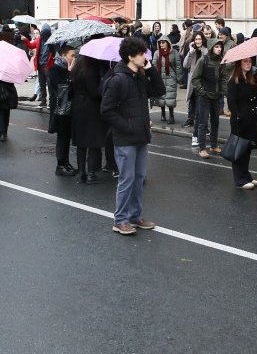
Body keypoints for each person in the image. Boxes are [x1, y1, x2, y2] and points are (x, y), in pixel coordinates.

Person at [101, 36, 157, 236]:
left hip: (141, 136)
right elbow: (106, 110)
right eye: (141, 54)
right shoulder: (118, 79)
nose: (145, 57)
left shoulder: (139, 76)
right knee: (127, 179)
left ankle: (135, 216)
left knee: (139, 177)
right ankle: (120, 219)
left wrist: (151, 70)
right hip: (125, 138)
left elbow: (158, 90)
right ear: (131, 56)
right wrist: (127, 126)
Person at [226, 58, 257, 190]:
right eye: (245, 62)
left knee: (246, 149)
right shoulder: (234, 80)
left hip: (250, 118)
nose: (248, 64)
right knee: (238, 149)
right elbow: (231, 100)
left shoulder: (249, 78)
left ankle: (246, 175)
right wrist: (237, 116)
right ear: (239, 64)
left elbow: (254, 95)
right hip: (240, 119)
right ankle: (239, 179)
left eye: (250, 62)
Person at [71, 55, 106, 184]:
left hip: (78, 106)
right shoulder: (91, 68)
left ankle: (81, 173)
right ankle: (91, 173)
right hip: (91, 108)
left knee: (81, 142)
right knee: (93, 141)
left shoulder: (77, 67)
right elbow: (94, 92)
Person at [190, 39, 228, 159]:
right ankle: (202, 148)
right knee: (203, 123)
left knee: (215, 122)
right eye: (216, 47)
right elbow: (195, 78)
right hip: (204, 97)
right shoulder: (203, 60)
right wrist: (202, 91)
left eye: (220, 47)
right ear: (212, 47)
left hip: (216, 96)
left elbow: (222, 78)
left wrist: (223, 91)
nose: (219, 49)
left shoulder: (221, 61)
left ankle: (213, 145)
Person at [47, 45, 80, 177]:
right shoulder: (55, 69)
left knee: (66, 136)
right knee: (62, 137)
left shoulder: (66, 69)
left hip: (68, 109)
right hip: (59, 110)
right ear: (63, 55)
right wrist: (69, 72)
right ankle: (60, 165)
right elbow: (62, 90)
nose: (74, 58)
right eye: (72, 55)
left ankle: (66, 163)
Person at [153, 39, 180, 124]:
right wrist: (153, 78)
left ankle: (171, 116)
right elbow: (154, 66)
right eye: (160, 42)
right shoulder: (157, 53)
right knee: (161, 97)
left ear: (168, 43)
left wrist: (179, 77)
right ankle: (163, 113)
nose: (161, 44)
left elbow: (178, 65)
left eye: (163, 42)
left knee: (170, 97)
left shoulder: (174, 52)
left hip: (171, 77)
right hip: (160, 77)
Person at [0, 69, 19, 143]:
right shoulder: (9, 68)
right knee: (6, 112)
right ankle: (5, 132)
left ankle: (2, 133)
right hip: (8, 92)